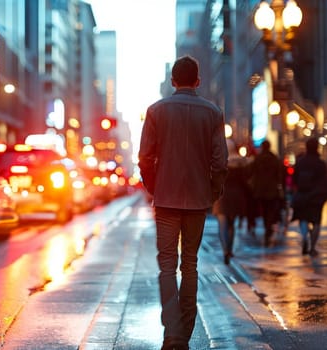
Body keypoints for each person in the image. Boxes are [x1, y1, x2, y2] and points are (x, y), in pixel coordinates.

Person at [139, 55, 228, 350]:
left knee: (166, 267)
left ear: (173, 81)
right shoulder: (213, 113)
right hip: (197, 200)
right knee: (189, 265)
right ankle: (185, 334)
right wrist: (212, 191)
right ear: (198, 81)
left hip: (166, 200)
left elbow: (145, 158)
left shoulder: (155, 111)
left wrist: (155, 187)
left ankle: (172, 332)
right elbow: (220, 161)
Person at [213, 139, 251, 264]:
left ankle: (225, 250)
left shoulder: (218, 162)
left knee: (222, 224)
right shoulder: (240, 162)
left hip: (221, 196)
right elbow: (246, 180)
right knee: (231, 224)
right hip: (236, 196)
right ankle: (229, 248)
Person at [290, 137, 327, 256]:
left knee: (303, 218)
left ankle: (305, 236)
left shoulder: (300, 162)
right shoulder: (321, 164)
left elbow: (294, 178)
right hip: (316, 197)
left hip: (302, 194)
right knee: (316, 221)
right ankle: (312, 247)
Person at [248, 140, 284, 247]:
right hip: (272, 190)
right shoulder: (275, 159)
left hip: (260, 189)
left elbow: (250, 172)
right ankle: (269, 227)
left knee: (264, 210)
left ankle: (267, 227)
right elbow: (280, 174)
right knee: (271, 210)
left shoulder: (257, 159)